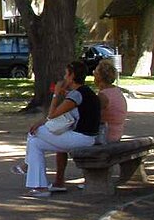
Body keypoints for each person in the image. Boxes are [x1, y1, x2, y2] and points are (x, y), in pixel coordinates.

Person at [16, 61, 99, 196]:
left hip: (82, 138)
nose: (65, 78)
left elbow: (52, 114)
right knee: (35, 143)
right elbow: (63, 116)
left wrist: (56, 94)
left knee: (34, 132)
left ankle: (27, 164)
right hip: (85, 137)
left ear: (72, 76)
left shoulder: (77, 94)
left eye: (66, 74)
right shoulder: (83, 92)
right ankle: (39, 187)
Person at [52, 57, 126, 191]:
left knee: (61, 143)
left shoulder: (103, 96)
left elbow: (91, 114)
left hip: (104, 137)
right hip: (115, 135)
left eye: (95, 74)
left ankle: (59, 181)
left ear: (100, 78)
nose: (93, 77)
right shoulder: (116, 91)